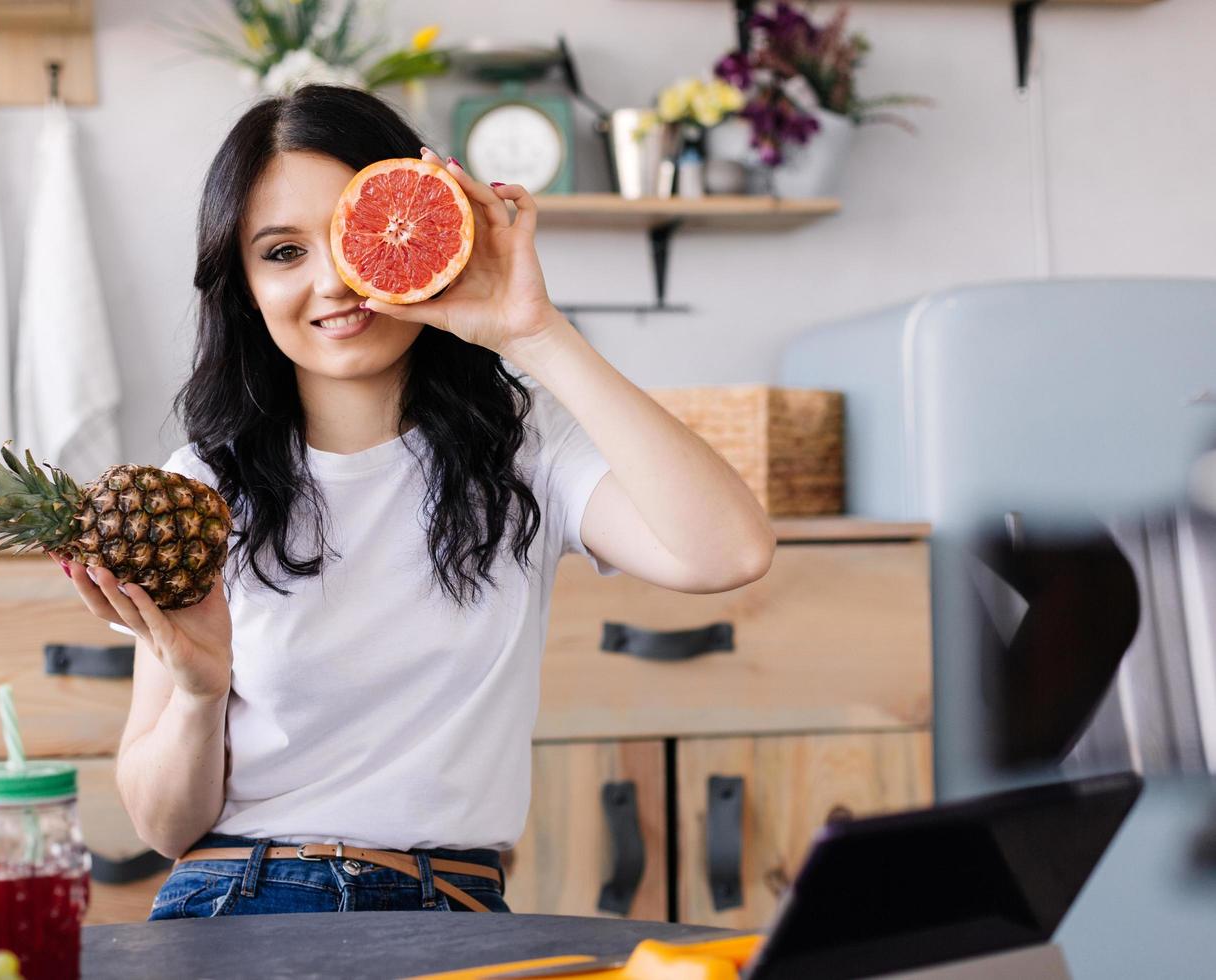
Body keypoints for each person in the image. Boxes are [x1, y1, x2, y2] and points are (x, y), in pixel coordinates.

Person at [65, 84, 776, 918]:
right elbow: (163, 826)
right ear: (245, 287)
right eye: (283, 252)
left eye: (351, 237)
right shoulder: (199, 490)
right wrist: (199, 691)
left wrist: (536, 333)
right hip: (240, 898)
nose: (330, 281)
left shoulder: (526, 450)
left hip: (449, 910)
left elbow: (731, 552)